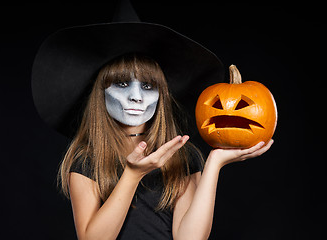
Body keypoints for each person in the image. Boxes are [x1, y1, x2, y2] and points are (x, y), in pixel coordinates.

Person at [56, 53, 273, 240]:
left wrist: (214, 164)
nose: (136, 97)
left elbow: (189, 238)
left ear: (161, 95)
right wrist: (132, 175)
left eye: (148, 86)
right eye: (122, 84)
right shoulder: (85, 159)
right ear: (101, 92)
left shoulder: (183, 157)